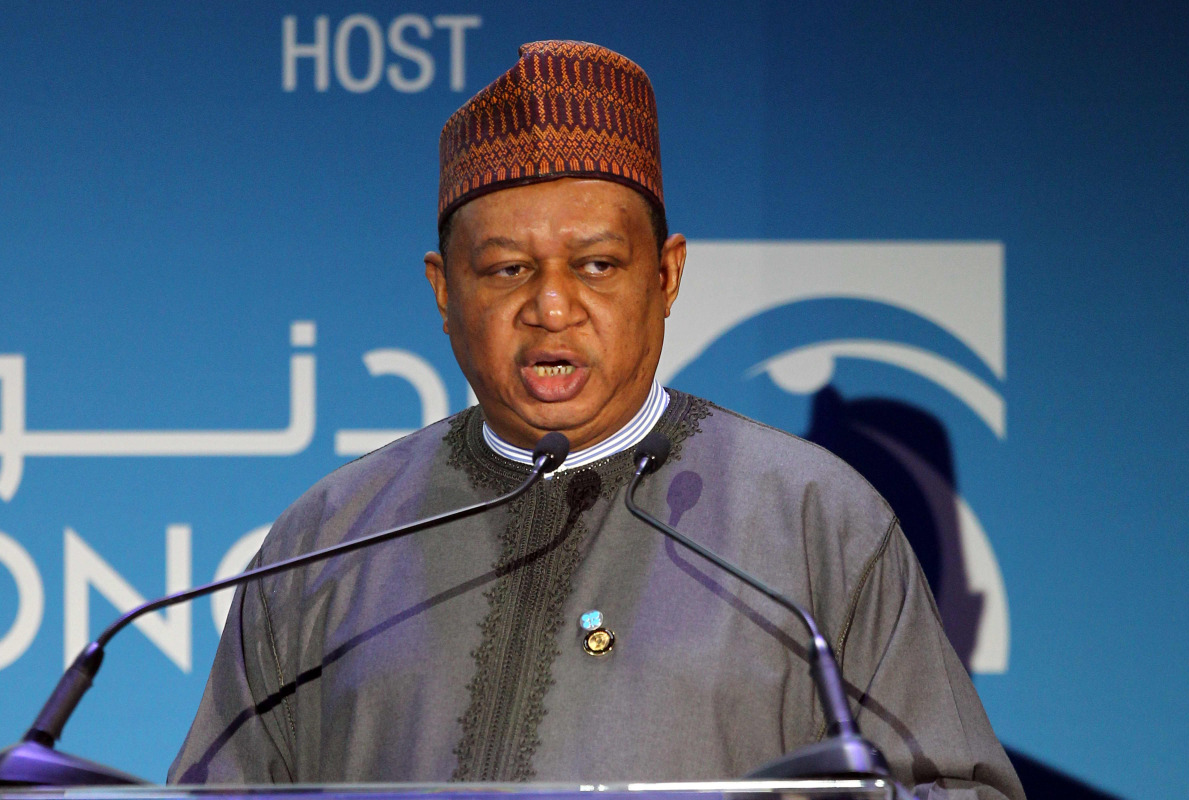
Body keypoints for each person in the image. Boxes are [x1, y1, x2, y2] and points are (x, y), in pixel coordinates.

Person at [169, 40, 1024, 799]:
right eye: (506, 269)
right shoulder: (333, 534)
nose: (551, 306)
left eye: (598, 264)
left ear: (667, 275)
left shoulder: (810, 523)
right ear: (442, 290)